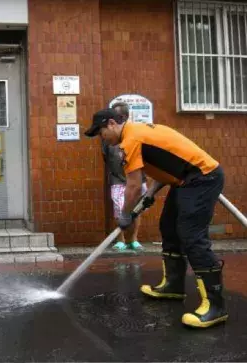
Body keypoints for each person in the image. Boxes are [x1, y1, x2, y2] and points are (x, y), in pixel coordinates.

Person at [85, 108, 228, 329]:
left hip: (203, 178)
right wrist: (150, 194)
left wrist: (125, 215)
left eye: (101, 132)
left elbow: (132, 186)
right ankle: (173, 285)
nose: (101, 138)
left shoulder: (131, 139)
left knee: (191, 235)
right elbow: (164, 168)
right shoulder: (139, 133)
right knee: (168, 227)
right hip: (183, 181)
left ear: (112, 123)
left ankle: (216, 306)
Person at [102, 102, 147, 252]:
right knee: (119, 210)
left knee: (137, 209)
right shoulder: (108, 135)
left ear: (123, 116)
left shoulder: (136, 133)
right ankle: (120, 240)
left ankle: (133, 239)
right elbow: (106, 156)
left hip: (137, 179)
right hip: (117, 179)